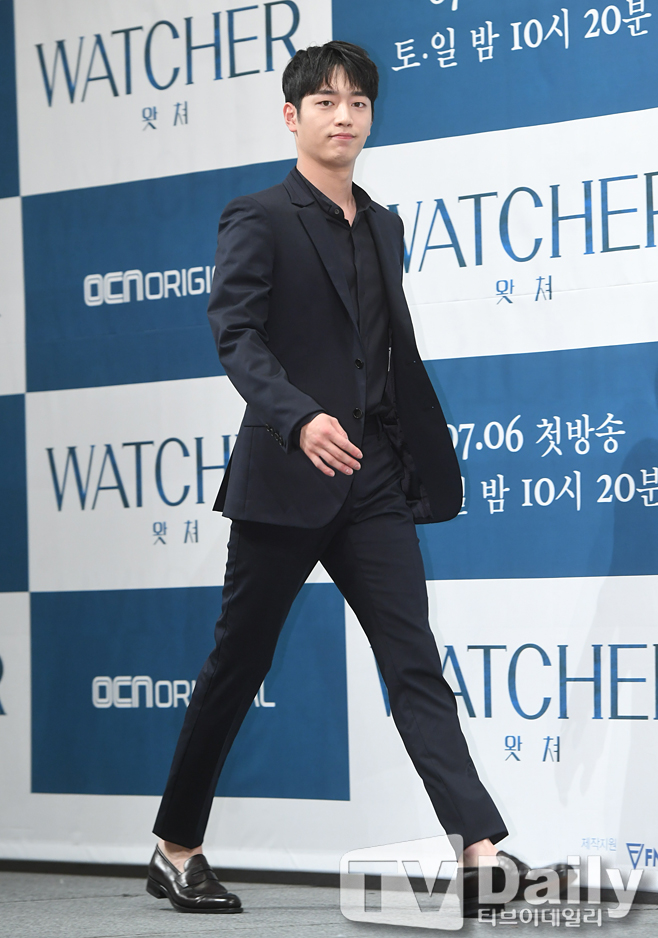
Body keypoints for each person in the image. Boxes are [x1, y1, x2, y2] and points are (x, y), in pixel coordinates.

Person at [146, 40, 510, 916]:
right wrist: (299, 416)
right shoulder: (258, 215)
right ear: (292, 116)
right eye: (324, 102)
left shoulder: (383, 224)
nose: (343, 116)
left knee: (414, 662)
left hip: (374, 476)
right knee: (239, 663)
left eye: (357, 103)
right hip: (287, 473)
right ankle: (175, 846)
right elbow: (237, 334)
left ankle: (480, 850)